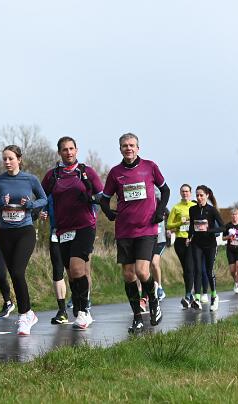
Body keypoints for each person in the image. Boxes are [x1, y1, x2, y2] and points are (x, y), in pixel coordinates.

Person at [101, 133, 169, 333]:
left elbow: (165, 190)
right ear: (120, 149)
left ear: (138, 148)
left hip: (146, 228)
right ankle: (137, 317)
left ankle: (153, 301)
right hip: (124, 230)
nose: (128, 148)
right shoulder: (115, 172)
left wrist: (160, 212)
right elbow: (104, 198)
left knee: (142, 271)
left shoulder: (150, 167)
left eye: (131, 145)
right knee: (128, 275)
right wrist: (109, 213)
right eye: (125, 146)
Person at [42, 136, 104, 330]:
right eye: (64, 149)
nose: (68, 152)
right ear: (59, 152)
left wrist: (91, 200)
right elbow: (42, 196)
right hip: (63, 229)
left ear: (76, 150)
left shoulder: (86, 172)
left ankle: (84, 311)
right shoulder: (53, 175)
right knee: (71, 273)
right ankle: (78, 306)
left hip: (85, 225)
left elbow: (102, 196)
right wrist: (40, 210)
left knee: (78, 269)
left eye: (71, 148)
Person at [0, 145, 47, 335]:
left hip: (25, 231)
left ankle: (23, 315)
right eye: (4, 159)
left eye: (11, 158)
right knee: (14, 275)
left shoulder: (30, 179)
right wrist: (0, 203)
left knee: (18, 272)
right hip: (6, 233)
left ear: (19, 159)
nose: (7, 162)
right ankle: (28, 313)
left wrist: (30, 204)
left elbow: (44, 199)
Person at [186, 185, 224, 311]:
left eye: (201, 195)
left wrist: (210, 230)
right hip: (196, 243)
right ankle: (197, 299)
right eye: (197, 195)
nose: (199, 197)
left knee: (208, 271)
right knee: (197, 270)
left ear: (207, 195)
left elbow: (223, 227)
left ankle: (214, 296)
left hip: (210, 244)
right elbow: (191, 226)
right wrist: (189, 237)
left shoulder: (212, 210)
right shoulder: (192, 209)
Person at [40, 195, 69, 324]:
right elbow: (45, 209)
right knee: (57, 271)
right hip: (56, 233)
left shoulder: (77, 187)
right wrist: (43, 214)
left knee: (75, 271)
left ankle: (82, 307)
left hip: (75, 232)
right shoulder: (51, 193)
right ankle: (62, 311)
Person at [166, 184, 196, 308]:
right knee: (186, 269)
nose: (185, 193)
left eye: (187, 191)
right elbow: (169, 225)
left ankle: (188, 295)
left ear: (190, 193)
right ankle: (190, 293)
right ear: (180, 193)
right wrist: (180, 222)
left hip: (192, 240)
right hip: (180, 241)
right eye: (183, 191)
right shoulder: (176, 208)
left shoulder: (194, 206)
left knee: (189, 267)